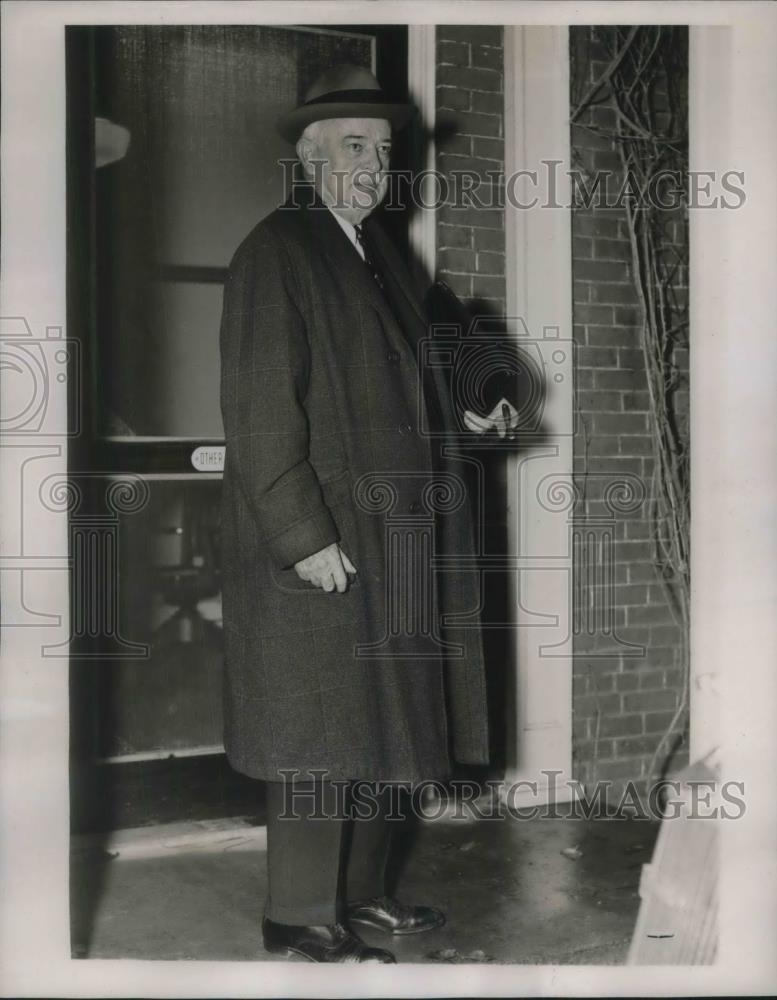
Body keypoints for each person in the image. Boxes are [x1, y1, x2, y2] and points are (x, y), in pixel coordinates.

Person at [218, 64, 519, 964]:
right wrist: (302, 536)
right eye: (355, 145)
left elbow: (454, 342)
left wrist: (479, 395)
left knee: (389, 723)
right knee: (317, 730)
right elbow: (260, 412)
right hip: (327, 536)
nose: (374, 164)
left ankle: (362, 897)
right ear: (310, 158)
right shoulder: (275, 251)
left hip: (399, 539)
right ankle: (299, 914)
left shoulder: (379, 253)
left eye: (384, 149)